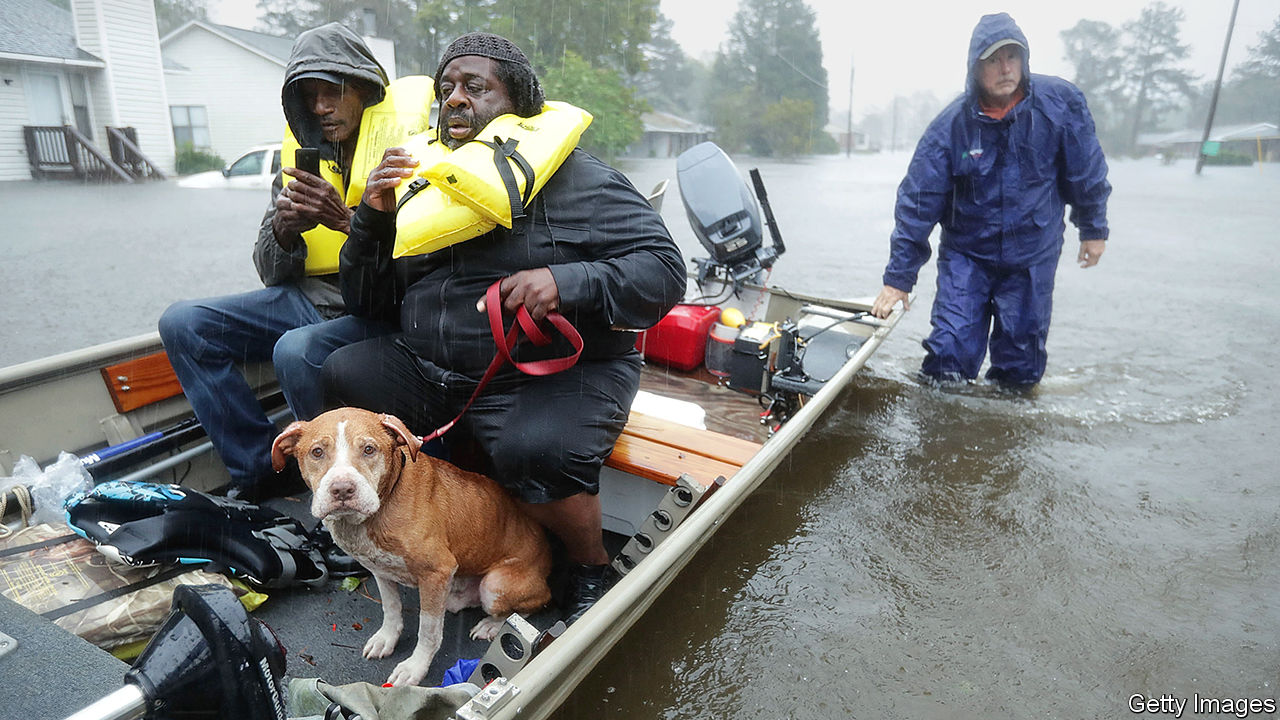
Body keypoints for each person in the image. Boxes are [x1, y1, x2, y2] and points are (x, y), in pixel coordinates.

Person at [321, 32, 687, 623]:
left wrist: (567, 282)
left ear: (518, 100)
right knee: (343, 370)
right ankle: (394, 526)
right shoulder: (427, 178)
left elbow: (666, 272)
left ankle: (589, 563)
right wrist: (371, 218)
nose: (456, 99)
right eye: (447, 89)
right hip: (437, 366)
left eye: (475, 87)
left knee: (535, 449)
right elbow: (368, 304)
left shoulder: (579, 179)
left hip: (548, 372)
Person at [159, 23, 403, 501]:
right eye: (308, 96)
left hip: (375, 311)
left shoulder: (403, 153)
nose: (320, 107)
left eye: (331, 91)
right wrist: (284, 230)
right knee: (183, 323)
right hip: (305, 300)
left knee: (295, 349)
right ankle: (260, 472)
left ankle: (344, 488)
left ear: (365, 88)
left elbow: (415, 265)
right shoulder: (302, 160)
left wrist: (343, 219)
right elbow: (270, 272)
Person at [870, 12, 1111, 388]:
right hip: (967, 255)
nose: (1005, 68)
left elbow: (1086, 170)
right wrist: (898, 279)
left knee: (1021, 368)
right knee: (947, 358)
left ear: (1024, 60)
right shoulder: (950, 128)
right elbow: (918, 204)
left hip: (1033, 254)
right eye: (993, 60)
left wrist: (1093, 228)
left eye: (1012, 57)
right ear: (975, 68)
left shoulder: (1060, 104)